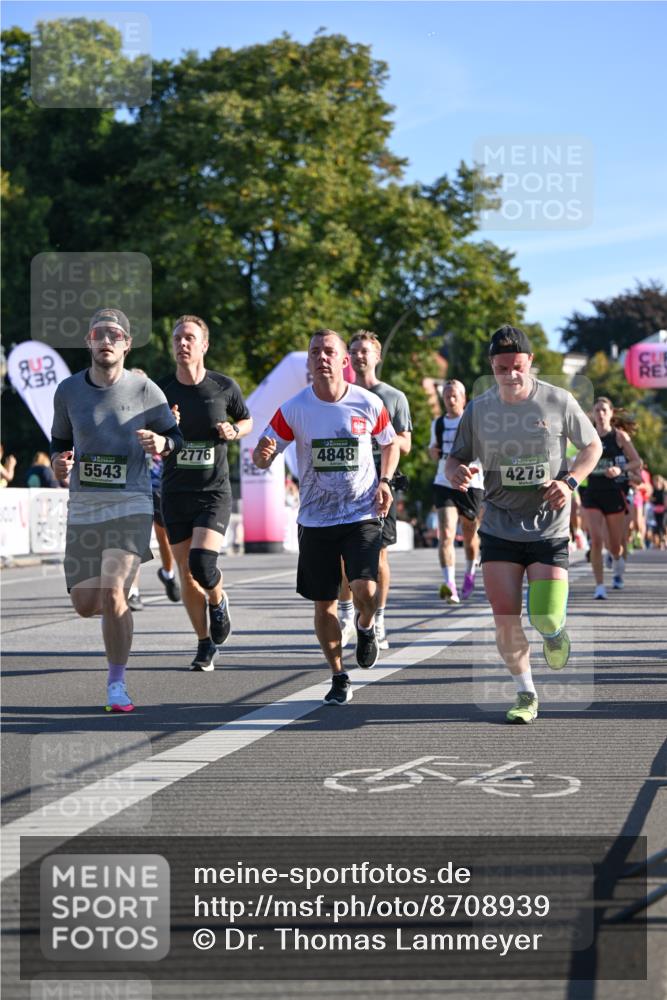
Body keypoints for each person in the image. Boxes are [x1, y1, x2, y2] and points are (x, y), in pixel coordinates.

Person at [445, 324, 602, 725]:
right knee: (505, 616)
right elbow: (454, 457)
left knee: (546, 616)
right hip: (499, 525)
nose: (510, 375)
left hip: (548, 525)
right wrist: (456, 472)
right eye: (501, 368)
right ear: (492, 368)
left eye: (517, 366)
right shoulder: (479, 410)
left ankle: (552, 633)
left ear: (530, 362)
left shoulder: (558, 401)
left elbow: (592, 446)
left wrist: (569, 482)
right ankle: (526, 692)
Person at [252, 328, 399, 705]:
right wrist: (264, 455)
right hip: (316, 520)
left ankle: (366, 626)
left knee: (366, 591)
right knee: (324, 603)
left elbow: (390, 443)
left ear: (343, 360)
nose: (321, 357)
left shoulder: (367, 403)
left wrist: (384, 481)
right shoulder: (294, 408)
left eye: (329, 351)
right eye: (315, 351)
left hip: (361, 513)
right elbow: (262, 454)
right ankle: (338, 674)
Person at [50, 307, 183, 712]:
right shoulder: (68, 391)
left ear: (126, 344)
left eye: (114, 335)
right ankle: (111, 616)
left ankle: (116, 685)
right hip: (85, 508)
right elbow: (58, 440)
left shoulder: (146, 390)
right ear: (89, 342)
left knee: (113, 592)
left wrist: (163, 445)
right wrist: (59, 462)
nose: (106, 341)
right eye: (98, 334)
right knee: (86, 604)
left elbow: (175, 436)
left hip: (131, 503)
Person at [158, 315, 252, 671]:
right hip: (175, 491)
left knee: (201, 563)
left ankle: (218, 600)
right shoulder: (161, 390)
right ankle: (204, 643)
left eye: (189, 338)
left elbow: (247, 420)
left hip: (213, 491)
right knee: (185, 573)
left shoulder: (223, 387)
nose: (182, 344)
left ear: (204, 345)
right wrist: (165, 429)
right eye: (177, 338)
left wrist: (233, 430)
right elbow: (148, 435)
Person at [337, 330, 412, 650]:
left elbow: (406, 444)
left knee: (378, 555)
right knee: (340, 554)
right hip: (346, 483)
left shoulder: (393, 397)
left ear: (377, 357)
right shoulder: (341, 394)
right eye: (353, 351)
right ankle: (344, 616)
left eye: (364, 351)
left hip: (380, 483)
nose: (358, 356)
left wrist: (382, 438)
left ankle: (378, 619)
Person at [125, 369, 181, 612]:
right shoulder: (120, 412)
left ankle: (168, 573)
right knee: (136, 540)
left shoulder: (159, 411)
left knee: (163, 538)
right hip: (133, 486)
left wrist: (172, 424)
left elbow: (174, 440)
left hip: (159, 485)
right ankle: (133, 591)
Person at [579, 397, 641, 598]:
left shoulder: (619, 436)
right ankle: (599, 587)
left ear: (611, 413)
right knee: (596, 540)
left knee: (615, 545)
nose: (601, 414)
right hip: (592, 493)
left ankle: (616, 561)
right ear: (593, 414)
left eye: (604, 410)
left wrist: (620, 468)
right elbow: (578, 459)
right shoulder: (587, 437)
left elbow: (637, 462)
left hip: (614, 492)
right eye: (597, 410)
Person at [428, 379, 483, 603]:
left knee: (470, 537)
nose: (450, 401)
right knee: (447, 533)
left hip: (472, 483)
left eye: (454, 396)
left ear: (463, 398)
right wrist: (433, 451)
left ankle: (469, 574)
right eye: (447, 397)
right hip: (444, 481)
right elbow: (434, 450)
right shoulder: (438, 423)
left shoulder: (473, 422)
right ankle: (450, 584)